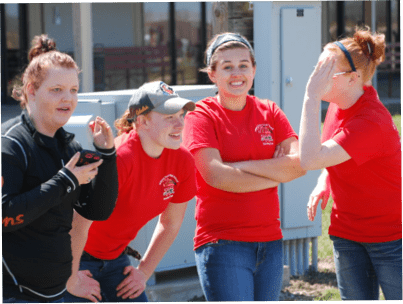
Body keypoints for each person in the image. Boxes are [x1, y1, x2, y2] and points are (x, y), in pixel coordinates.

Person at [182, 32, 306, 302]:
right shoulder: (200, 115)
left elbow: (298, 165)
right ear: (212, 74)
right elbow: (216, 175)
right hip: (222, 243)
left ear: (254, 70)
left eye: (243, 65)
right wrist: (274, 171)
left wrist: (240, 167)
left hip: (270, 242)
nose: (236, 73)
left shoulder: (269, 111)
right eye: (226, 66)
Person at [1, 35, 118, 303]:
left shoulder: (69, 146)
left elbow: (96, 211)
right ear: (31, 90)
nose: (68, 98)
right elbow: (3, 217)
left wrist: (107, 155)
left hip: (56, 291)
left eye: (74, 90)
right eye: (56, 90)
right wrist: (65, 180)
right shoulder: (9, 144)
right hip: (13, 293)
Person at [64, 81, 197, 303]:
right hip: (74, 257)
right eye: (169, 117)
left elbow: (171, 223)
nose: (180, 124)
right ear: (142, 121)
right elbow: (78, 222)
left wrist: (144, 272)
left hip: (116, 258)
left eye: (181, 115)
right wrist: (69, 276)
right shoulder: (121, 159)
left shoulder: (182, 161)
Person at [299, 27, 402, 301]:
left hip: (391, 237)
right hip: (347, 234)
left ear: (352, 79)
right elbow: (333, 154)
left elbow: (309, 157)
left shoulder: (370, 121)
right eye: (317, 67)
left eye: (325, 70)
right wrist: (325, 180)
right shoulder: (340, 104)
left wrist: (310, 97)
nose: (316, 77)